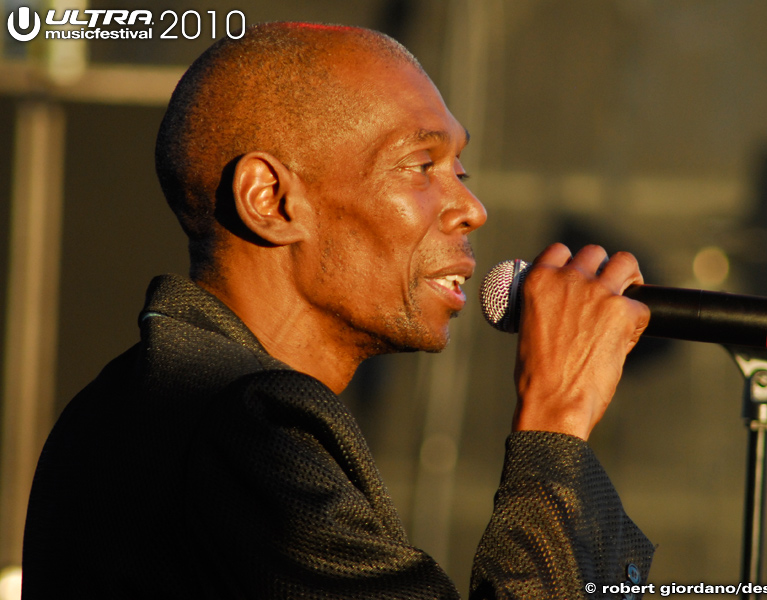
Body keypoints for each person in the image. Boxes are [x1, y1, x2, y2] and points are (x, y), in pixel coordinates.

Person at [22, 22, 654, 599]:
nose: (471, 208)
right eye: (421, 164)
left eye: (458, 167)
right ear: (270, 200)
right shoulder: (242, 426)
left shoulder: (151, 403)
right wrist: (557, 419)